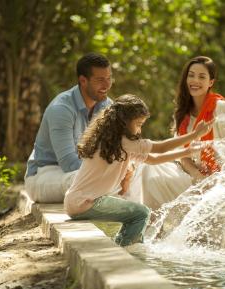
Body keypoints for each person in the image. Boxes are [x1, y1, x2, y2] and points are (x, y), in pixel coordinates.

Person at [63, 94, 213, 246]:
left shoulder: (111, 142)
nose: (140, 130)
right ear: (124, 122)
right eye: (139, 124)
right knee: (141, 213)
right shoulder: (124, 141)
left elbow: (153, 160)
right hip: (85, 203)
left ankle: (125, 245)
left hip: (76, 202)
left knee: (135, 214)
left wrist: (186, 152)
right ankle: (128, 250)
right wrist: (194, 135)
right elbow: (160, 148)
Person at [141, 56, 225, 210]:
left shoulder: (222, 109)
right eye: (191, 75)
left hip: (222, 183)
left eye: (202, 77)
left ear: (211, 82)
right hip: (195, 178)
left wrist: (216, 181)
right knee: (150, 169)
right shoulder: (183, 114)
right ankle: (153, 228)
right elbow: (184, 156)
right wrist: (198, 176)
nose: (195, 81)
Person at [24, 53, 113, 203]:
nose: (106, 85)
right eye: (100, 80)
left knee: (134, 173)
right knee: (81, 180)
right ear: (83, 81)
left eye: (109, 78)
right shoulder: (61, 109)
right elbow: (69, 164)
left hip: (86, 172)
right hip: (45, 174)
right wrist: (108, 170)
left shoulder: (107, 106)